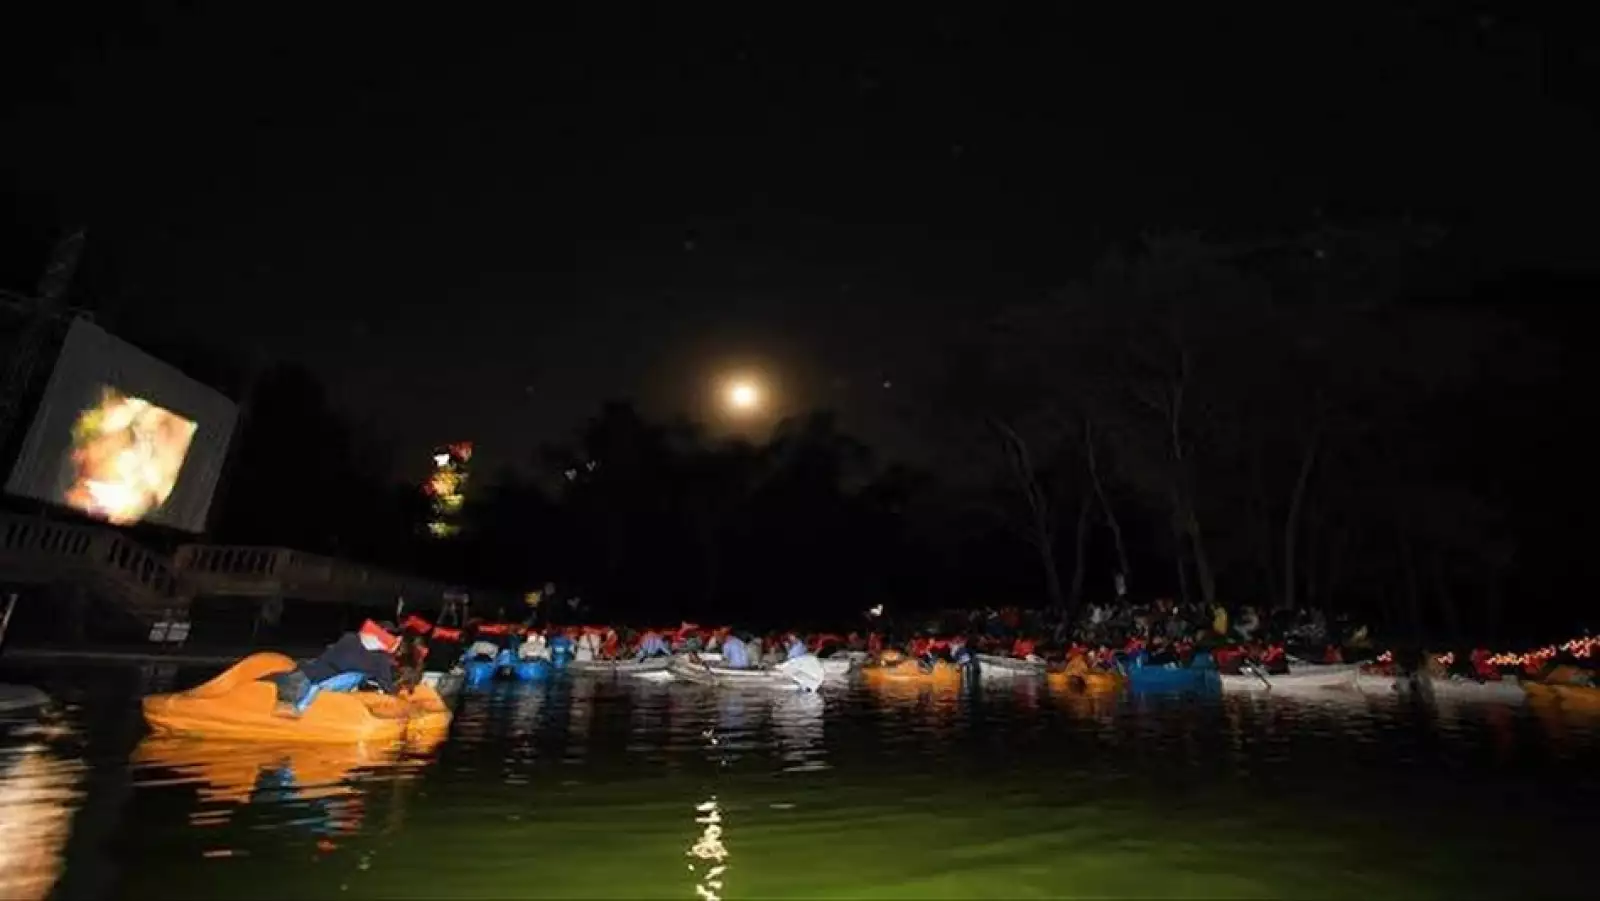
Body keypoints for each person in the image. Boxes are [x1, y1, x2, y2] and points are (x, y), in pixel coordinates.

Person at [269, 620, 400, 716]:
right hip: (318, 683)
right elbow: (386, 685)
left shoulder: (351, 639)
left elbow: (327, 659)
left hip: (316, 678)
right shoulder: (377, 657)